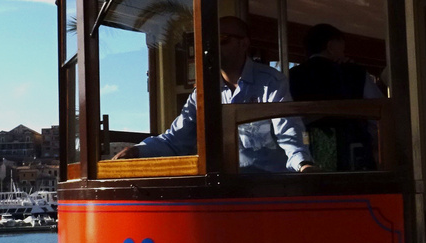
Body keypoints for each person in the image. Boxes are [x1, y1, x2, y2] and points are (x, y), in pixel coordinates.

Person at [116, 15, 311, 172]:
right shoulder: (203, 91)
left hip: (267, 189)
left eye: (222, 40)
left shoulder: (271, 82)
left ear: (243, 44)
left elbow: (289, 133)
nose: (212, 47)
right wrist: (137, 151)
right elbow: (176, 140)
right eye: (209, 41)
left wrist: (304, 165)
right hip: (223, 189)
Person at [289, 23, 382, 170]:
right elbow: (378, 112)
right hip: (353, 151)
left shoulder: (292, 76)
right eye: (342, 48)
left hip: (308, 154)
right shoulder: (354, 73)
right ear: (331, 46)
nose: (345, 54)